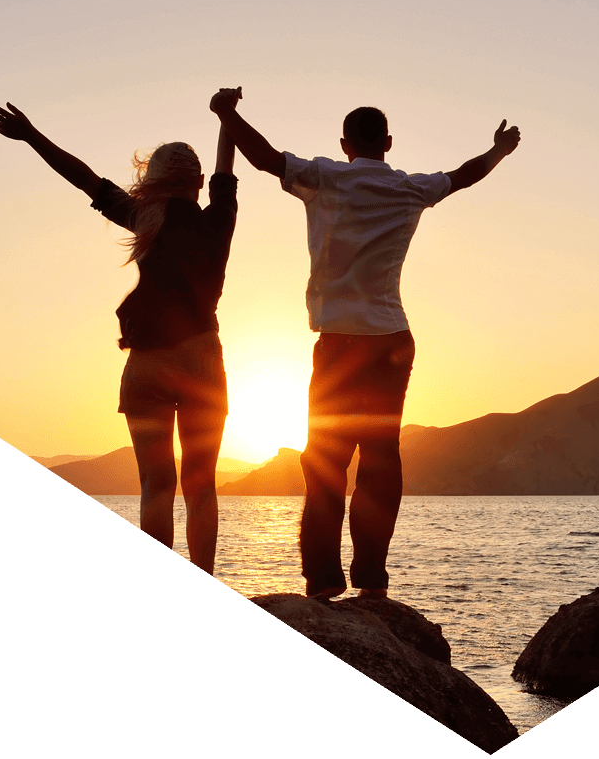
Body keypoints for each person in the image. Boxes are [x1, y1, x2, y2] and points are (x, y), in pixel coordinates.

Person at [209, 88, 521, 599]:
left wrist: (228, 113)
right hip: (391, 341)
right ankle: (372, 579)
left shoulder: (325, 176)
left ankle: (323, 582)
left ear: (345, 143)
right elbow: (464, 175)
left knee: (326, 461)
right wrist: (498, 151)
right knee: (381, 460)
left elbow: (264, 159)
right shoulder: (409, 188)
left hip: (339, 344)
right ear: (389, 143)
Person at [0, 100, 240, 573]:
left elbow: (82, 177)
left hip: (146, 366)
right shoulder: (218, 219)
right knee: (201, 485)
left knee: (155, 486)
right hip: (201, 362)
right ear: (199, 183)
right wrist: (226, 119)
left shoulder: (145, 217)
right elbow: (227, 170)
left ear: (154, 181)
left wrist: (31, 134)